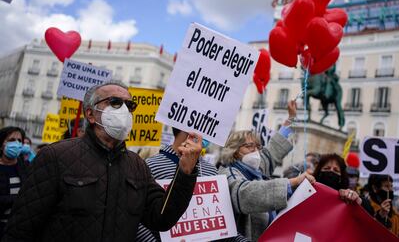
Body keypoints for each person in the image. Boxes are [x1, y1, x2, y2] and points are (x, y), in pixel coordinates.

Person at [3, 81, 202, 242]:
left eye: (129, 105)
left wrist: (185, 173)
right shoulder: (55, 156)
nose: (124, 110)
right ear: (90, 114)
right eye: (115, 102)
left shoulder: (137, 165)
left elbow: (162, 218)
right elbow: (21, 229)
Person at [218, 100, 316, 241]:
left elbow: (272, 151)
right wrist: (293, 182)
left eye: (257, 146)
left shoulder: (255, 169)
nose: (256, 151)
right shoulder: (228, 173)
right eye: (250, 146)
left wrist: (291, 118)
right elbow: (245, 193)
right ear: (234, 151)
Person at [135, 128, 248, 241]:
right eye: (205, 126)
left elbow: (222, 227)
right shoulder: (151, 166)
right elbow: (137, 219)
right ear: (187, 129)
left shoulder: (211, 170)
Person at [0, 127, 29, 238]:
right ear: (1, 144)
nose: (16, 144)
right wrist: (19, 198)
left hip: (19, 229)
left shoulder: (27, 167)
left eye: (19, 141)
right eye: (11, 140)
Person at [362, 174, 399, 240]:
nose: (390, 190)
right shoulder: (366, 208)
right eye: (386, 186)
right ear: (375, 188)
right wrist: (380, 216)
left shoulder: (394, 212)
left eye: (391, 186)